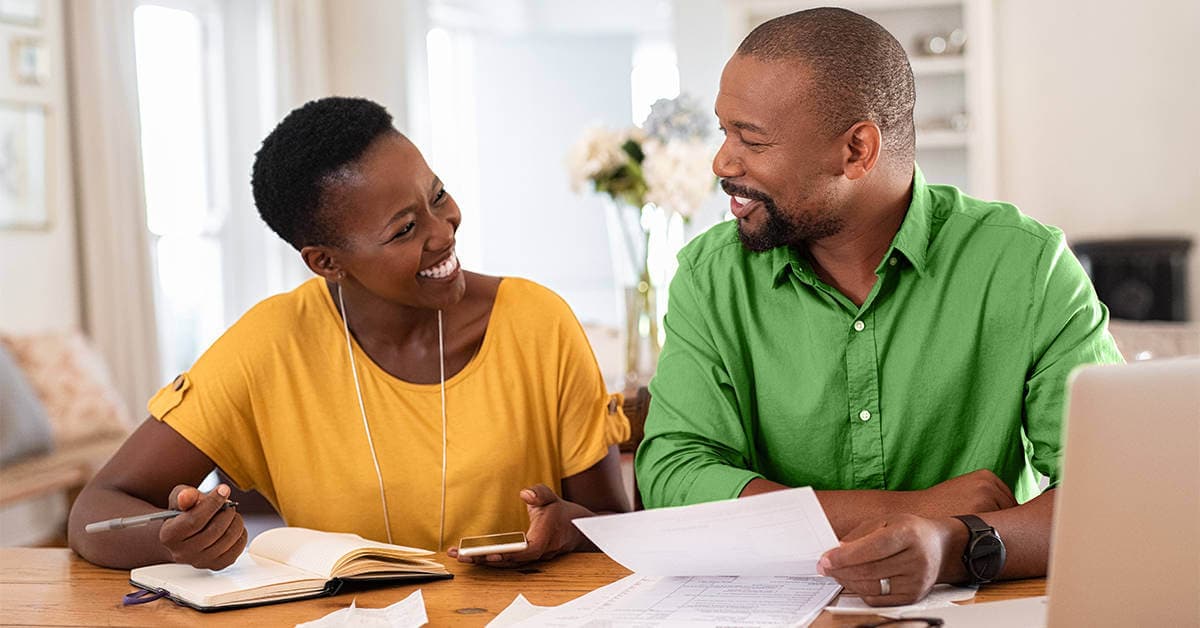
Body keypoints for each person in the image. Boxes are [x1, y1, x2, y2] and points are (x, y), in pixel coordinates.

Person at [635, 7, 1122, 606]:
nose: (722, 163)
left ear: (858, 150)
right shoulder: (712, 277)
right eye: (724, 131)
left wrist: (952, 543)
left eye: (752, 140)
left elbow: (1112, 493)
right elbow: (672, 474)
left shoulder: (1024, 265)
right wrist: (904, 510)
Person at [68, 97, 630, 571]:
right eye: (405, 229)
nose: (444, 231)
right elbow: (95, 511)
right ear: (326, 262)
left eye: (437, 196)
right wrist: (176, 541)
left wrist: (566, 529)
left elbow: (614, 526)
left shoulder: (537, 321)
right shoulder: (270, 345)